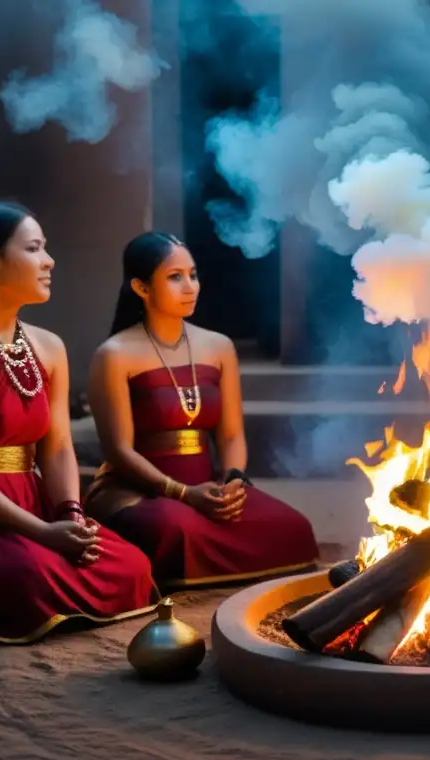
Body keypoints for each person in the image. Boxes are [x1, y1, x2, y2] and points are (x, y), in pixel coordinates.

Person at [0, 202, 157, 643]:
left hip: (35, 502)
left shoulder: (49, 346)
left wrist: (70, 516)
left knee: (133, 566)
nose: (49, 261)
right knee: (26, 575)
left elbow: (56, 447)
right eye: (34, 248)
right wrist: (42, 533)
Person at [83, 232, 319, 589]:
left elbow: (230, 433)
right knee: (177, 533)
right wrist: (183, 493)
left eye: (192, 274)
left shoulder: (218, 346)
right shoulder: (114, 354)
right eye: (174, 277)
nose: (190, 286)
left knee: (294, 528)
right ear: (141, 288)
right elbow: (119, 450)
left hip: (207, 488)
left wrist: (234, 479)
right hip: (139, 491)